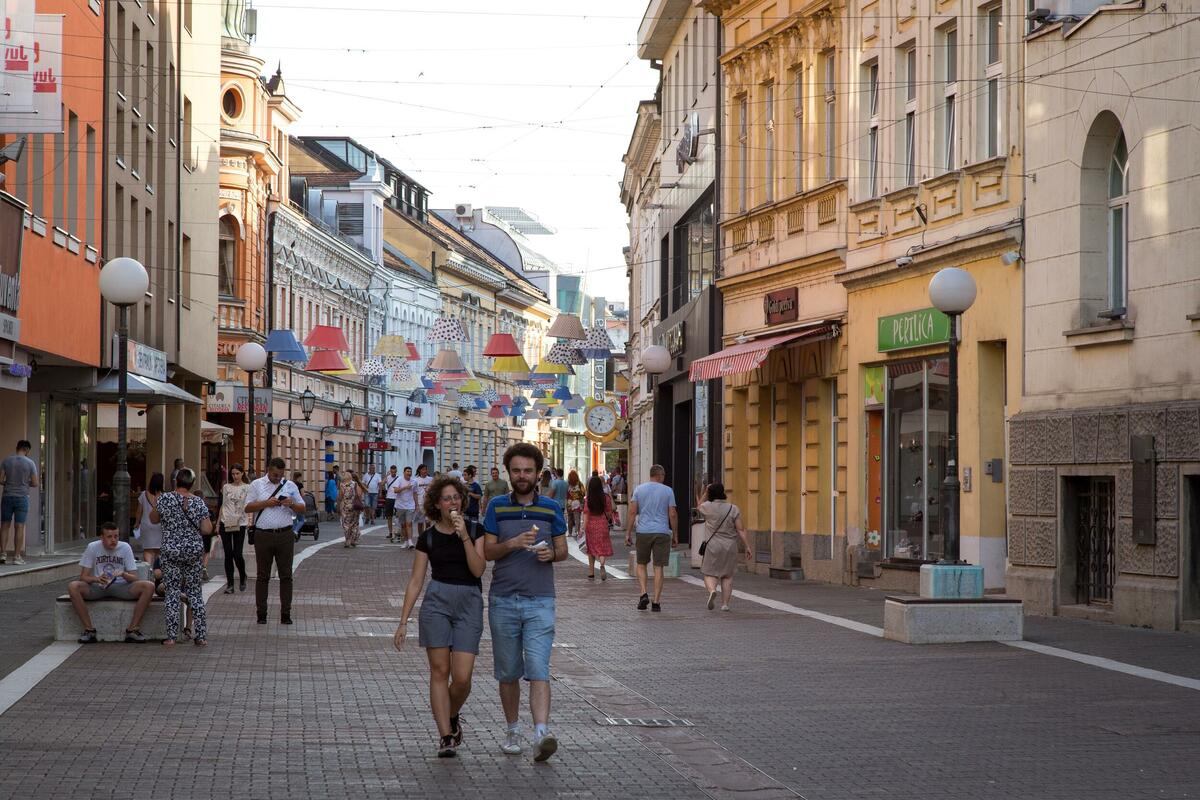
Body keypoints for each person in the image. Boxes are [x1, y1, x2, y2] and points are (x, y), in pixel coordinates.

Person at [482, 442, 567, 762]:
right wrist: (513, 543)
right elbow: (487, 552)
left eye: (528, 471)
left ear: (538, 473)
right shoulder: (496, 507)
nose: (522, 476)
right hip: (503, 600)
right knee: (508, 672)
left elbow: (563, 550)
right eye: (516, 470)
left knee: (538, 668)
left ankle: (541, 733)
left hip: (540, 600)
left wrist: (551, 554)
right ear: (508, 473)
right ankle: (512, 730)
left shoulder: (551, 508)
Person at [393, 476, 487, 758]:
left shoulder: (475, 530)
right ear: (437, 504)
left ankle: (451, 714)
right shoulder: (428, 538)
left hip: (469, 602)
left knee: (462, 678)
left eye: (456, 497)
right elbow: (416, 581)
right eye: (447, 498)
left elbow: (478, 570)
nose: (452, 502)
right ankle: (445, 735)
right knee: (439, 671)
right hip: (437, 603)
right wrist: (403, 622)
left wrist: (464, 536)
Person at [150, 468, 213, 646]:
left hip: (171, 550)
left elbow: (153, 519)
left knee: (172, 591)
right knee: (195, 592)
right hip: (193, 551)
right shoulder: (198, 502)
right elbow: (207, 529)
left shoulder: (165, 498)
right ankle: (201, 636)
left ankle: (171, 636)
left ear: (176, 481)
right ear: (192, 483)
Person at [67, 522, 157, 643]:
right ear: (102, 537)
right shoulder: (92, 547)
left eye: (116, 536)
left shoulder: (125, 547)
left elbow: (135, 577)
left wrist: (123, 574)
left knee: (149, 586)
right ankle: (89, 630)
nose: (113, 540)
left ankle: (132, 630)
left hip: (121, 586)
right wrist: (97, 579)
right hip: (98, 586)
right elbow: (83, 577)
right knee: (73, 586)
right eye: (109, 537)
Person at [245, 457, 306, 625]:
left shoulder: (290, 485)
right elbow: (247, 507)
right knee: (262, 575)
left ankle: (286, 614)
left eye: (280, 475)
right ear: (268, 470)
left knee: (286, 576)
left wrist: (291, 503)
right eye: (275, 475)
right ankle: (261, 614)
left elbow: (303, 508)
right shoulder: (256, 485)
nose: (278, 478)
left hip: (285, 534)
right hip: (263, 535)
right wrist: (266, 503)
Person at [624, 464, 678, 613]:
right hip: (662, 532)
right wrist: (675, 534)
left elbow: (632, 511)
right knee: (658, 567)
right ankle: (656, 602)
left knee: (641, 564)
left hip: (643, 532)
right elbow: (672, 514)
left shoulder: (639, 489)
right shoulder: (668, 491)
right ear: (660, 475)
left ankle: (643, 593)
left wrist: (628, 532)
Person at [698, 483, 752, 611]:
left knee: (709, 573)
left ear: (710, 493)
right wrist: (747, 546)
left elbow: (699, 506)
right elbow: (740, 529)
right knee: (727, 575)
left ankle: (712, 590)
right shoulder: (733, 508)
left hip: (713, 545)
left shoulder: (707, 507)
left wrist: (705, 492)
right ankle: (725, 604)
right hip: (730, 546)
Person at [0, 439, 39, 565]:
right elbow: (35, 483)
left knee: (5, 525)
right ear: (26, 450)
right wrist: (24, 483)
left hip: (7, 496)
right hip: (22, 497)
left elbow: (0, 479)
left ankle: (3, 554)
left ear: (17, 448)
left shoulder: (6, 461)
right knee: (19, 526)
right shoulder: (30, 463)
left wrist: (9, 483)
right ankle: (17, 557)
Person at [219, 464, 250, 594]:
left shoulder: (247, 488)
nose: (235, 476)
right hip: (225, 522)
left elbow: (250, 505)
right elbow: (222, 505)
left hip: (240, 523)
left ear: (242, 473)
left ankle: (242, 576)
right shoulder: (226, 487)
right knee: (228, 554)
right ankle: (230, 584)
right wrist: (218, 523)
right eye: (233, 474)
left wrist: (250, 521)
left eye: (237, 473)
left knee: (237, 553)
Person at [582, 475, 615, 581]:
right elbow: (609, 513)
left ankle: (591, 572)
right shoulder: (606, 498)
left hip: (590, 526)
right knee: (601, 547)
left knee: (591, 549)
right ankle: (602, 565)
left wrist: (583, 528)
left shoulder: (588, 499)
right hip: (602, 525)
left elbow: (586, 515)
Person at [134, 472, 165, 570]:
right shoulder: (164, 496)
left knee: (148, 550)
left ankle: (148, 570)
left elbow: (139, 511)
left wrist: (137, 523)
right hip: (159, 525)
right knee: (158, 551)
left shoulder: (143, 494)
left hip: (146, 525)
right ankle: (157, 570)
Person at [340, 469, 366, 548]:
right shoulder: (355, 484)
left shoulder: (342, 485)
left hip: (346, 507)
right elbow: (359, 495)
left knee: (346, 524)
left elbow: (341, 496)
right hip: (355, 507)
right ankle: (353, 540)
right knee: (354, 524)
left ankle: (347, 540)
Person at [392, 466, 417, 548]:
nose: (409, 473)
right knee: (403, 525)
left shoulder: (414, 481)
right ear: (404, 472)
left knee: (409, 523)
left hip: (410, 505)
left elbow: (415, 493)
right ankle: (406, 541)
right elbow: (395, 490)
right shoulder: (399, 480)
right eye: (407, 471)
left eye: (410, 471)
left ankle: (410, 542)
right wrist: (406, 487)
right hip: (400, 506)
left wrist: (416, 505)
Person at [411, 464, 433, 547]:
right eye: (423, 469)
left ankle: (427, 538)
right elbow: (414, 493)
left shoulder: (430, 479)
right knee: (420, 522)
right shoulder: (415, 480)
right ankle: (421, 538)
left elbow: (434, 490)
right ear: (419, 470)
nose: (425, 471)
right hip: (420, 503)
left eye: (426, 469)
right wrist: (416, 504)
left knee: (428, 522)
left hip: (428, 503)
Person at [462, 466, 483, 538]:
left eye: (465, 475)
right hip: (465, 511)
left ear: (470, 475)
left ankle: (474, 542)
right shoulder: (464, 485)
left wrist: (470, 494)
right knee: (465, 529)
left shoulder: (476, 485)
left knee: (473, 530)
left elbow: (479, 496)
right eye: (463, 475)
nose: (464, 476)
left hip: (473, 511)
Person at [382, 465, 401, 541]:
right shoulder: (388, 477)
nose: (393, 473)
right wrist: (386, 476)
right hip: (389, 498)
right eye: (392, 472)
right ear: (390, 471)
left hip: (397, 499)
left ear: (396, 471)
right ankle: (390, 533)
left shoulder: (399, 478)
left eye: (394, 472)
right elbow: (381, 484)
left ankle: (399, 532)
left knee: (398, 516)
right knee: (389, 516)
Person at [565, 470, 585, 537]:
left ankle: (570, 533)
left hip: (569, 503)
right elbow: (583, 493)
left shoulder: (568, 484)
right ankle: (577, 532)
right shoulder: (580, 484)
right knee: (577, 518)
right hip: (577, 503)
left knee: (570, 518)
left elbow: (566, 494)